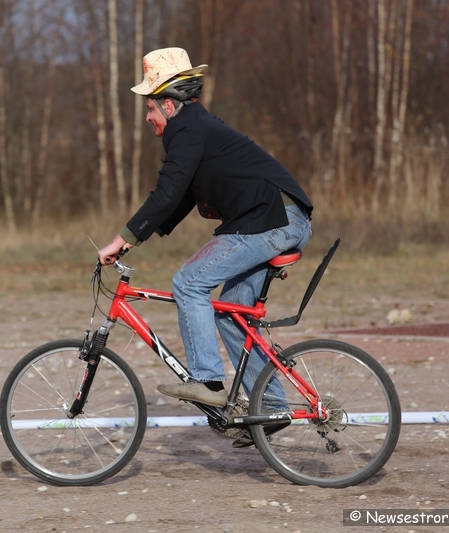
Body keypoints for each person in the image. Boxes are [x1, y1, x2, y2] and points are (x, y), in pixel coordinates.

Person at [98, 47, 312, 445]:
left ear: (168, 103)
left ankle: (208, 380)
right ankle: (272, 407)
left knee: (188, 282)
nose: (148, 118)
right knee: (233, 315)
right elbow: (177, 197)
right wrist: (132, 242)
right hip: (281, 220)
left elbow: (166, 193)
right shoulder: (197, 126)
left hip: (271, 222)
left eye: (150, 108)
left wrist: (121, 238)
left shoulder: (187, 130)